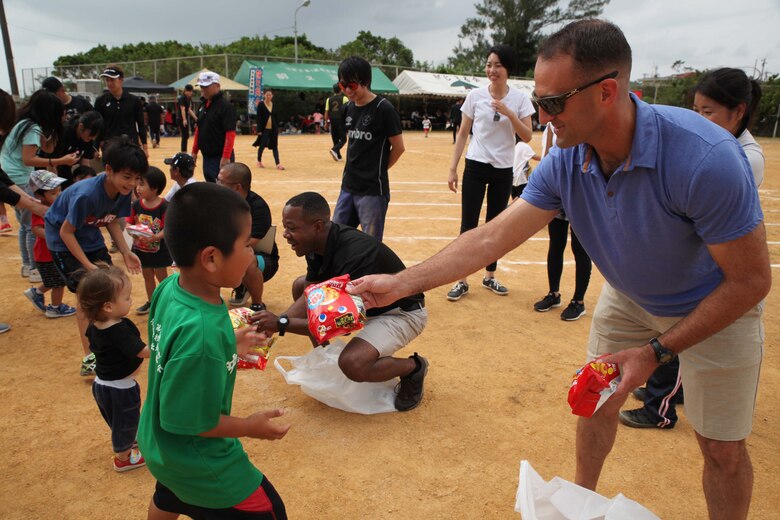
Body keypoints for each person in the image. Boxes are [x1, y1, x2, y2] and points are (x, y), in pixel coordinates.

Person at [347, 20, 769, 520]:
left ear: (607, 92)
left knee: (721, 450)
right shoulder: (566, 157)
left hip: (715, 304)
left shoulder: (705, 159)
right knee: (594, 400)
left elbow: (750, 281)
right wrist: (400, 283)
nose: (542, 116)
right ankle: (578, 504)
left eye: (553, 102)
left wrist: (657, 352)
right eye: (539, 101)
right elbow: (490, 237)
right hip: (631, 296)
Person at [621, 67, 766, 431]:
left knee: (676, 344)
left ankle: (660, 409)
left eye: (708, 112)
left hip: (710, 277)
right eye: (697, 110)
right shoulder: (712, 147)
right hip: (683, 265)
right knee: (667, 343)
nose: (699, 119)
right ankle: (663, 395)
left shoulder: (743, 157)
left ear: (738, 112)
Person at [137, 182, 290, 519]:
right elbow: (192, 422)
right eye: (245, 245)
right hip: (199, 460)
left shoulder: (169, 288)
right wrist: (251, 426)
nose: (252, 253)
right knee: (270, 511)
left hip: (162, 448)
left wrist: (230, 344)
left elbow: (171, 351)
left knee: (171, 493)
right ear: (210, 258)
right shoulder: (204, 330)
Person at [251, 191, 429, 412]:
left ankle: (413, 368)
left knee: (352, 364)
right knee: (302, 286)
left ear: (317, 226)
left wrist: (281, 324)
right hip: (368, 306)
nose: (285, 235)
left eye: (292, 228)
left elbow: (337, 323)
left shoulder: (356, 254)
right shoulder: (317, 244)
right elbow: (310, 293)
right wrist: (278, 322)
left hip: (400, 313)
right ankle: (325, 357)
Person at [45, 137, 145, 376]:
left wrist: (126, 251)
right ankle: (90, 355)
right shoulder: (86, 195)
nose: (131, 184)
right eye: (126, 176)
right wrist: (88, 266)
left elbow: (110, 222)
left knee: (108, 289)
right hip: (63, 241)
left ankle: (105, 346)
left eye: (136, 178)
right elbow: (65, 232)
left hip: (89, 236)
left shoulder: (122, 193)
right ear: (108, 170)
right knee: (87, 294)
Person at [445, 44, 535, 301]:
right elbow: (463, 133)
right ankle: (461, 279)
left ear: (507, 69)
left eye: (497, 65)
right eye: (488, 65)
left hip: (503, 169)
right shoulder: (475, 96)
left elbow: (527, 135)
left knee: (496, 225)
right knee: (468, 223)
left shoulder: (520, 99)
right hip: (475, 165)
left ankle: (490, 276)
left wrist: (509, 114)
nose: (492, 70)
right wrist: (453, 169)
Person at [0, 90, 79, 283]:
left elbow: (43, 150)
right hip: (19, 176)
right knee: (31, 226)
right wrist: (62, 160)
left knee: (24, 225)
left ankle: (28, 265)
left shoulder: (23, 124)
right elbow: (28, 159)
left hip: (9, 176)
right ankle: (36, 267)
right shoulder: (32, 128)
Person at [78, 265, 150, 472]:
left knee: (118, 419)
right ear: (108, 306)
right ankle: (123, 458)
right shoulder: (117, 331)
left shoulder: (95, 325)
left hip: (102, 384)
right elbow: (143, 351)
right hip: (120, 388)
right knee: (125, 420)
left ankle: (129, 440)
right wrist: (164, 348)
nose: (131, 300)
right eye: (126, 298)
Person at [333, 56, 405, 241]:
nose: (348, 91)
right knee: (334, 238)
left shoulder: (383, 109)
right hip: (348, 187)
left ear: (365, 81)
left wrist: (378, 169)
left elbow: (399, 147)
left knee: (370, 245)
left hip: (373, 191)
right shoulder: (348, 108)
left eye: (353, 85)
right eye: (343, 86)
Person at [532, 124, 592, 321]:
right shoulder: (552, 124)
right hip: (559, 190)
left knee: (579, 248)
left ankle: (579, 301)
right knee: (555, 245)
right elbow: (550, 153)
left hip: (582, 192)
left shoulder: (586, 122)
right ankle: (553, 294)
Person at [217, 162, 279, 312]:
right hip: (231, 248)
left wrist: (222, 249)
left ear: (237, 187)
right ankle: (212, 300)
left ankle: (258, 305)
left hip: (263, 258)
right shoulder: (217, 202)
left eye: (220, 181)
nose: (216, 184)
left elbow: (252, 242)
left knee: (246, 257)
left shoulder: (257, 207)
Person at [22, 170, 77, 319]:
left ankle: (37, 293)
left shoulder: (58, 206)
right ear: (40, 196)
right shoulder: (40, 209)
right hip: (47, 254)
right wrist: (56, 236)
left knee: (54, 279)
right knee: (58, 282)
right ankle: (55, 308)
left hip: (51, 253)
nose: (58, 195)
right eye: (53, 193)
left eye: (59, 191)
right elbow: (36, 229)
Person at [126, 166, 171, 315]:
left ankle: (167, 302)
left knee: (161, 276)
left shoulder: (164, 206)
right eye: (138, 184)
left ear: (155, 188)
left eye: (142, 184)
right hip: (141, 249)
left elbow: (168, 228)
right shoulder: (137, 204)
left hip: (158, 250)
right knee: (147, 276)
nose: (138, 188)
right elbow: (128, 221)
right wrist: (132, 230)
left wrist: (156, 237)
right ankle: (152, 302)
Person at [191, 71, 237, 183]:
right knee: (211, 185)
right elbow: (199, 129)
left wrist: (226, 157)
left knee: (222, 188)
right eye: (201, 86)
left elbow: (230, 133)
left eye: (206, 86)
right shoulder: (203, 106)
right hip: (206, 156)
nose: (203, 89)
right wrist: (194, 151)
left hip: (220, 156)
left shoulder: (225, 107)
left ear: (217, 86)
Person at [94, 65, 148, 157]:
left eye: (112, 80)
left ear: (121, 80)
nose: (109, 83)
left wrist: (145, 147)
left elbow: (141, 124)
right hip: (109, 145)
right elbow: (98, 125)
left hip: (130, 144)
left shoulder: (134, 101)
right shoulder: (101, 101)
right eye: (107, 80)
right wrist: (95, 147)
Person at [48, 110, 103, 188]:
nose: (93, 138)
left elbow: (85, 162)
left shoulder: (88, 138)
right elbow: (50, 163)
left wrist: (88, 181)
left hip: (66, 169)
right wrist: (56, 186)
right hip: (48, 168)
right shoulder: (64, 133)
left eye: (96, 135)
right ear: (81, 127)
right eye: (92, 134)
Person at [253, 89, 284, 170]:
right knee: (262, 145)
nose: (268, 96)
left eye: (270, 95)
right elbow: (259, 118)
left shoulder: (274, 105)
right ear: (264, 95)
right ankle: (259, 161)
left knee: (275, 146)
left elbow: (276, 117)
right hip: (264, 129)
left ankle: (278, 164)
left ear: (272, 96)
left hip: (273, 129)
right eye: (267, 95)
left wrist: (277, 127)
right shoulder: (261, 104)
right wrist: (259, 130)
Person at [325, 83, 348, 160]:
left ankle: (338, 156)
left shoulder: (329, 99)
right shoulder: (344, 98)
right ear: (341, 89)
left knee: (335, 138)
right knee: (344, 139)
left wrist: (326, 122)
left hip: (332, 120)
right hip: (341, 120)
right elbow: (348, 110)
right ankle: (334, 150)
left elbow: (326, 112)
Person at [177, 85, 197, 152]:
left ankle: (184, 150)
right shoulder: (182, 98)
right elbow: (183, 109)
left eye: (191, 91)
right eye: (190, 91)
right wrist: (184, 119)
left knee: (186, 135)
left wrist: (196, 118)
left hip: (184, 118)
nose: (191, 93)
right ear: (186, 91)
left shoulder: (188, 98)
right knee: (185, 135)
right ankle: (183, 151)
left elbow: (189, 110)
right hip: (181, 118)